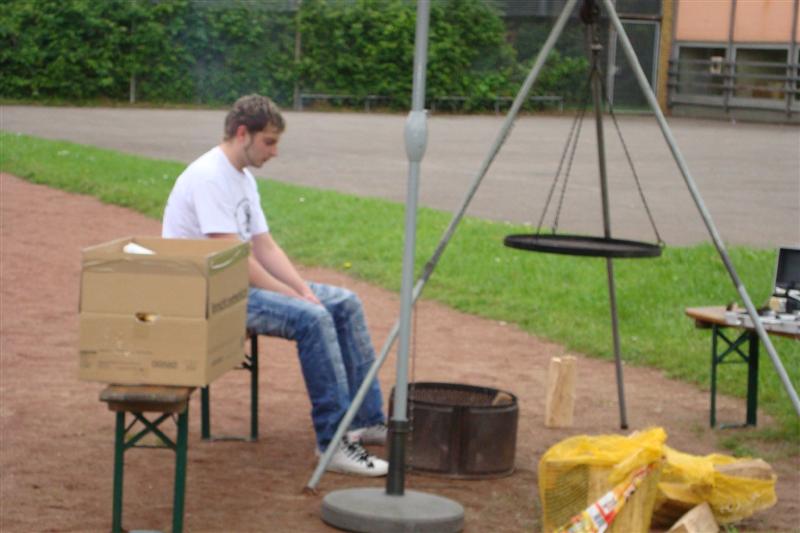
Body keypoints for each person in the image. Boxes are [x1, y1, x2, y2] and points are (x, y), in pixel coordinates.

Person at [162, 94, 388, 477]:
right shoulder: (209, 176)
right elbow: (236, 259)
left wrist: (301, 289)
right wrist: (296, 298)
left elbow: (265, 247)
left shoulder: (243, 178)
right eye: (269, 141)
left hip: (234, 287)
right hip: (207, 295)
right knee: (313, 319)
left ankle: (364, 420)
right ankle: (332, 445)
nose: (275, 151)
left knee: (345, 303)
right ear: (242, 133)